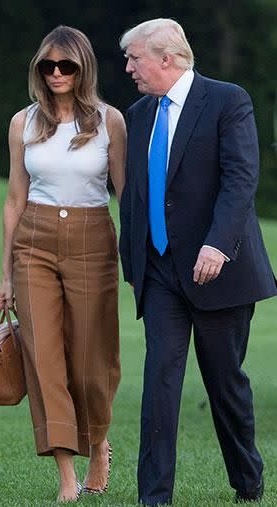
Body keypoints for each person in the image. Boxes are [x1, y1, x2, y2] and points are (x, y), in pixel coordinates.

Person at [119, 18, 277, 506]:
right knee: (159, 380)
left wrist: (217, 245)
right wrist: (133, 262)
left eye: (134, 58)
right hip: (161, 272)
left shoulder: (228, 100)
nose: (128, 68)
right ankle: (155, 496)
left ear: (166, 58)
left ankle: (247, 483)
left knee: (225, 383)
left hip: (219, 269)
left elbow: (240, 180)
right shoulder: (139, 114)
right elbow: (136, 195)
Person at [0, 25, 126, 503]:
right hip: (34, 241)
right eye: (47, 66)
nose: (55, 73)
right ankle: (66, 477)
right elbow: (13, 199)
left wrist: (139, 257)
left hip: (93, 237)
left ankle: (98, 441)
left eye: (65, 65)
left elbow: (124, 194)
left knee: (93, 361)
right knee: (44, 359)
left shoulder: (110, 121)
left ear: (83, 67)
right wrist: (5, 273)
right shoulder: (22, 123)